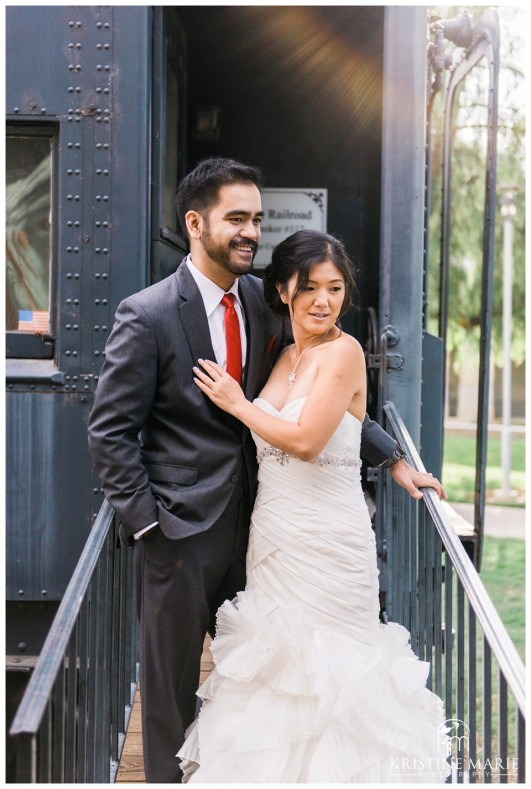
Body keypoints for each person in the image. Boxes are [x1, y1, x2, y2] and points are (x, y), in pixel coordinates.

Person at [87, 157, 445, 783]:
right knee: (170, 685)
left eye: (256, 219)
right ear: (195, 223)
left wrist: (392, 460)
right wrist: (147, 524)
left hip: (265, 532)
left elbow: (328, 406)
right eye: (237, 219)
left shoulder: (268, 298)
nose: (251, 231)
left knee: (262, 676)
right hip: (178, 533)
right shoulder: (146, 314)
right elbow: (110, 431)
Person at [178, 228, 451, 783]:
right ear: (283, 291)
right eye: (309, 288)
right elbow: (349, 424)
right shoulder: (284, 356)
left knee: (334, 674)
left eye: (335, 288)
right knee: (276, 671)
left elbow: (305, 441)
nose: (323, 301)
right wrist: (393, 458)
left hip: (329, 542)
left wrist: (236, 402)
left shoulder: (344, 352)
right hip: (275, 537)